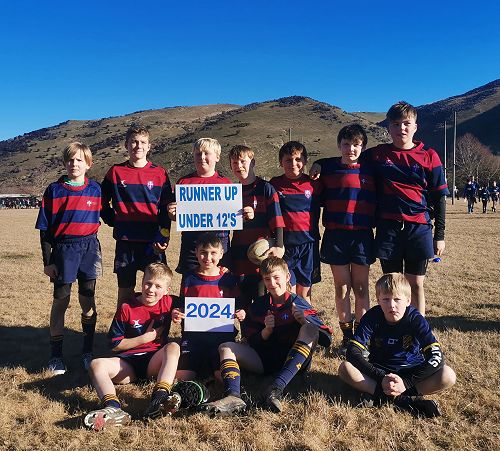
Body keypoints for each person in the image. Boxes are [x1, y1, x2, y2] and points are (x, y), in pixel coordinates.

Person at [199, 257, 332, 415]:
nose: (273, 283)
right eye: (267, 279)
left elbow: (326, 339)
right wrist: (266, 331)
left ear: (287, 277)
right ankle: (233, 396)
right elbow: (251, 341)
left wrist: (304, 321)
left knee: (310, 329)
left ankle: (275, 389)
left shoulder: (299, 303)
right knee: (226, 347)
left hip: (294, 363)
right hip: (264, 362)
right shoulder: (258, 306)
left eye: (277, 278)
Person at [362, 101, 449, 316]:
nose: (401, 128)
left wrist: (439, 235)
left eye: (406, 123)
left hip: (418, 229)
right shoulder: (377, 155)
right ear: (388, 128)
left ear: (415, 127)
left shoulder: (429, 155)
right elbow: (348, 159)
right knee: (391, 284)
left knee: (415, 284)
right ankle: (393, 330)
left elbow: (439, 198)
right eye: (396, 124)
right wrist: (322, 164)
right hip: (388, 229)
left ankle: (418, 330)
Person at [338, 273, 456, 418]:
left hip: (411, 372)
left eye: (397, 299)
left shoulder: (416, 319)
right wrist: (382, 378)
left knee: (448, 375)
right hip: (379, 372)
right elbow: (352, 351)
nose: (392, 305)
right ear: (378, 300)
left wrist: (406, 382)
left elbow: (436, 356)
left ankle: (379, 397)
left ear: (408, 301)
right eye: (386, 299)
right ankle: (406, 401)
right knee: (345, 368)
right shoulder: (372, 316)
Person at [84, 263, 182, 430]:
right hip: (128, 364)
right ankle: (113, 408)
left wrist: (178, 312)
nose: (151, 289)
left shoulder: (170, 302)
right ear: (141, 281)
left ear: (167, 290)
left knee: (173, 346)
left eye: (158, 286)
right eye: (148, 283)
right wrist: (145, 338)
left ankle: (159, 398)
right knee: (96, 364)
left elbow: (196, 304)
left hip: (155, 362)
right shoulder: (126, 307)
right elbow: (114, 345)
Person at [35, 142, 102, 374]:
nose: (74, 164)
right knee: (61, 300)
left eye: (79, 160)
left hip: (89, 249)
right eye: (70, 160)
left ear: (88, 164)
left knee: (88, 301)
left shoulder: (96, 189)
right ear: (64, 163)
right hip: (64, 251)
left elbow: (114, 213)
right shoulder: (54, 190)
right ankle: (56, 357)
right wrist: (48, 261)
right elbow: (45, 230)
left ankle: (87, 351)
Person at [310, 125, 376, 356]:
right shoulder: (328, 168)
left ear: (363, 147)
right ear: (339, 146)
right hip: (336, 235)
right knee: (341, 287)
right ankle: (347, 337)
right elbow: (323, 163)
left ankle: (362, 337)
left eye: (356, 145)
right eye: (346, 144)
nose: (351, 149)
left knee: (360, 288)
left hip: (362, 235)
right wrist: (317, 163)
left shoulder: (371, 169)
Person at [101, 126, 173, 305]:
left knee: (157, 289)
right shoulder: (116, 172)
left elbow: (166, 209)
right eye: (133, 141)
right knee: (125, 291)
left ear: (149, 146)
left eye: (142, 142)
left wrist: (164, 237)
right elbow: (100, 200)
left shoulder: (160, 173)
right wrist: (112, 220)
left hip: (152, 242)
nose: (138, 146)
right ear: (126, 145)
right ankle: (124, 331)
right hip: (126, 241)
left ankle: (156, 330)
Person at [173, 233, 246, 383]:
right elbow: (183, 305)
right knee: (183, 377)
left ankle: (210, 367)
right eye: (203, 253)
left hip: (221, 339)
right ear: (196, 253)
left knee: (222, 377)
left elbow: (238, 304)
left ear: (221, 254)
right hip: (194, 338)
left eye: (213, 253)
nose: (208, 258)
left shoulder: (228, 278)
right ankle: (201, 366)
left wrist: (241, 312)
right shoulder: (189, 278)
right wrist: (178, 313)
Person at [229, 145, 285, 307]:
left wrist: (279, 245)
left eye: (243, 161)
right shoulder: (231, 192)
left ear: (252, 162)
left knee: (261, 299)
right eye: (234, 163)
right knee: (242, 301)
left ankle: (262, 331)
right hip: (239, 253)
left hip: (261, 255)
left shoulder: (265, 188)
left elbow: (277, 219)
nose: (239, 166)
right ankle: (247, 332)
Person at [167, 138, 232, 279]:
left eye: (206, 153)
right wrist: (172, 213)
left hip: (219, 246)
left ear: (217, 157)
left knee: (219, 288)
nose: (202, 157)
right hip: (192, 247)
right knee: (190, 288)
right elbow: (176, 217)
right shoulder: (183, 183)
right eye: (198, 154)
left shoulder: (225, 184)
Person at [269, 141, 322, 304]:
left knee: (304, 293)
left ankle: (307, 326)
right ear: (280, 163)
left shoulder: (314, 184)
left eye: (298, 159)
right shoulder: (274, 184)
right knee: (286, 292)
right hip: (284, 246)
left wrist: (320, 164)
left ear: (305, 161)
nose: (294, 164)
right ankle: (288, 327)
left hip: (308, 245)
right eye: (288, 160)